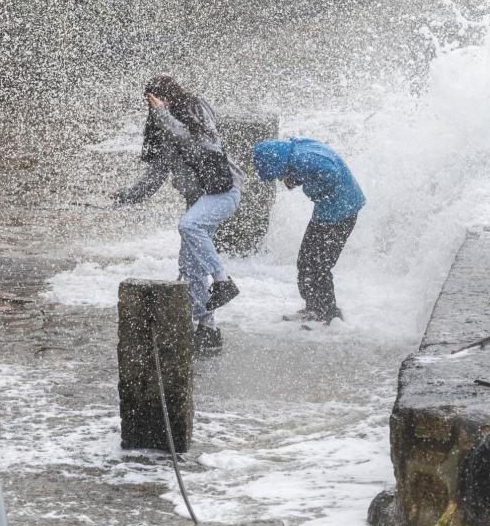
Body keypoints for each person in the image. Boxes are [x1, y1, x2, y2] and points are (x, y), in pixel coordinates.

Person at [112, 75, 244, 352]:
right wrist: (127, 196)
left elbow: (198, 145)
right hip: (197, 200)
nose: (155, 108)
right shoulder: (165, 132)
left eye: (159, 101)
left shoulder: (197, 115)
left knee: (189, 227)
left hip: (220, 190)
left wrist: (163, 114)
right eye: (153, 104)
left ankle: (223, 281)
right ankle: (207, 328)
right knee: (189, 266)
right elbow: (156, 175)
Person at [252, 138, 364, 324]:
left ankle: (328, 314)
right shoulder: (295, 151)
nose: (281, 179)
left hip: (340, 213)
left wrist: (305, 184)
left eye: (279, 174)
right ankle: (314, 308)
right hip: (330, 212)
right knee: (306, 261)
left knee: (319, 265)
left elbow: (331, 173)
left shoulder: (302, 159)